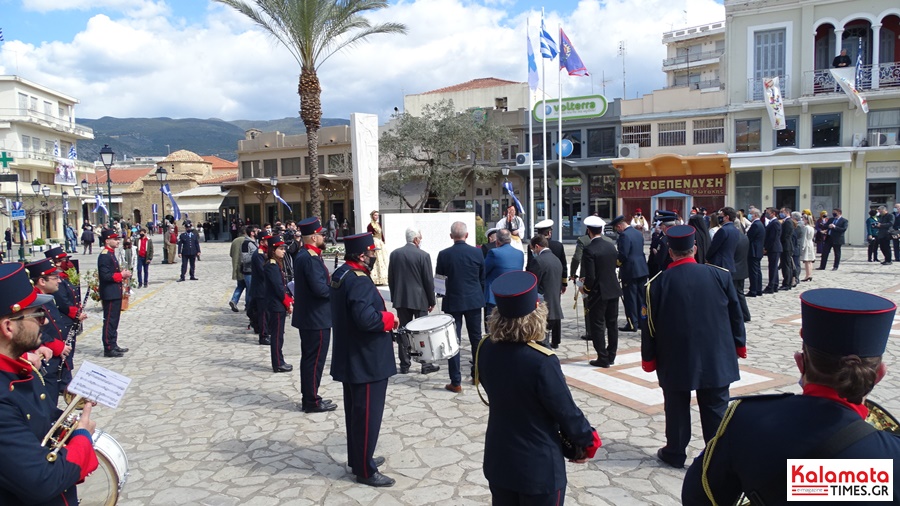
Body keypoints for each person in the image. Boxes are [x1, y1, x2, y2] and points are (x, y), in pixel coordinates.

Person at [683, 288, 900, 504]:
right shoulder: (892, 455)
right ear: (879, 373)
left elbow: (698, 497)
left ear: (800, 362)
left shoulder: (745, 421)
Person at [477, 270, 601, 504]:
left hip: (500, 459)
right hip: (538, 468)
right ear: (536, 315)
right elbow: (565, 410)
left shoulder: (485, 348)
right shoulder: (542, 360)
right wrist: (588, 441)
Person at [641, 225, 746, 469]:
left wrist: (649, 359)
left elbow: (650, 328)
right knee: (716, 408)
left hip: (675, 357)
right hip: (716, 355)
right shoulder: (720, 275)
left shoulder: (656, 284)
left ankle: (675, 452)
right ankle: (717, 457)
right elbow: (735, 315)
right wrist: (739, 345)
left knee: (676, 407)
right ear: (695, 249)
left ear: (670, 251)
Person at [0, 262, 99, 505]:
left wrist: (70, 420)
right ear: (8, 327)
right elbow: (42, 481)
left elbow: (38, 420)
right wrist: (83, 437)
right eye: (37, 314)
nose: (44, 322)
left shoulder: (20, 369)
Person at [330, 232, 397, 488]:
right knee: (368, 415)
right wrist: (391, 319)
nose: (373, 257)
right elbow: (366, 319)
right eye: (371, 253)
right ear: (361, 255)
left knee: (356, 414)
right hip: (367, 360)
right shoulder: (357, 280)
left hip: (352, 356)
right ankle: (365, 471)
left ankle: (359, 458)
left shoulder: (342, 273)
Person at [292, 218, 337, 412]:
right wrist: (337, 289)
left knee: (311, 360)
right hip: (316, 318)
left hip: (312, 317)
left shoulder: (307, 254)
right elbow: (320, 289)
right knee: (314, 361)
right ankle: (311, 400)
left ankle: (311, 397)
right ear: (313, 237)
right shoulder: (309, 258)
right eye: (322, 234)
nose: (324, 237)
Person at [435, 221, 485, 392]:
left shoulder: (444, 255)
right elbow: (482, 277)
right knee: (476, 339)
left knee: (452, 341)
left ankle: (455, 381)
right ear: (467, 235)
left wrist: (440, 297)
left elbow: (440, 281)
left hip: (453, 302)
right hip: (473, 301)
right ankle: (477, 375)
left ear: (451, 236)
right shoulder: (477, 253)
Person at [388, 228, 439, 375]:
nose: (421, 241)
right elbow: (428, 280)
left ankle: (404, 364)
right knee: (421, 333)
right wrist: (431, 300)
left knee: (403, 332)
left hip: (401, 299)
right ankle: (425, 364)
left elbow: (391, 278)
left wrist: (394, 297)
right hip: (419, 299)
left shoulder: (395, 254)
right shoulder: (423, 255)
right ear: (416, 239)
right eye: (420, 238)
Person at [580, 216, 622, 367]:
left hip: (599, 292)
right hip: (613, 289)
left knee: (597, 324)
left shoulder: (589, 249)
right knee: (612, 324)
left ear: (589, 231)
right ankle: (611, 355)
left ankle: (602, 357)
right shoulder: (610, 246)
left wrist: (585, 288)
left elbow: (591, 276)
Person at [97, 229, 131, 357]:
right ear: (107, 240)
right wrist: (121, 275)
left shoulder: (111, 254)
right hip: (109, 292)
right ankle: (108, 347)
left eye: (118, 239)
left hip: (114, 292)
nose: (118, 241)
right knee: (109, 320)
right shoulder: (105, 255)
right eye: (115, 239)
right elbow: (105, 276)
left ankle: (113, 343)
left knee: (114, 320)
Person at [611, 215, 648, 333]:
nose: (617, 231)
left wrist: (615, 264)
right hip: (641, 269)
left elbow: (623, 254)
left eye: (617, 229)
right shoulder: (637, 233)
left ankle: (632, 323)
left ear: (619, 226)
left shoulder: (624, 236)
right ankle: (643, 321)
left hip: (630, 271)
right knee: (641, 298)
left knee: (630, 297)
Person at [263, 235, 293, 373]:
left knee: (279, 335)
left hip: (277, 304)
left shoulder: (275, 264)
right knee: (277, 336)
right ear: (273, 250)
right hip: (276, 305)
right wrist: (288, 303)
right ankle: (278, 363)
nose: (284, 251)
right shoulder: (271, 265)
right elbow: (278, 288)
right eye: (281, 249)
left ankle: (279, 360)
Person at [527, 235, 563, 348]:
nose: (533, 252)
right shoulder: (556, 259)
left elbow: (532, 284)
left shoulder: (538, 261)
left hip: (542, 307)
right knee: (544, 339)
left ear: (537, 246)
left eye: (533, 249)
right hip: (554, 307)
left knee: (542, 342)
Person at [484, 229, 524, 321]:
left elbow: (484, 271)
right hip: (513, 296)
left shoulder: (494, 253)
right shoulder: (520, 254)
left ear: (497, 241)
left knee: (493, 328)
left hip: (495, 297)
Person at [250, 232, 270, 345]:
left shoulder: (265, 253)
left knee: (266, 313)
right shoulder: (259, 254)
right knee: (263, 314)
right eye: (267, 241)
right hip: (261, 289)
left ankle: (266, 331)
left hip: (264, 288)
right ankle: (263, 336)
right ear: (262, 242)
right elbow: (263, 272)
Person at [706, 207, 739, 274]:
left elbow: (714, 246)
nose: (719, 218)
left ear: (727, 217)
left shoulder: (723, 230)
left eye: (721, 216)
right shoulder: (735, 230)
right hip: (729, 263)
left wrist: (707, 257)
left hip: (720, 264)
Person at [762, 207, 782, 294]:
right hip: (774, 248)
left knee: (773, 268)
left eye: (768, 212)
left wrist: (766, 248)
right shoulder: (772, 222)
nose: (766, 214)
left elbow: (772, 238)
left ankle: (771, 286)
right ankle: (775, 284)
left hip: (774, 248)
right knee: (773, 267)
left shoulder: (775, 223)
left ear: (773, 213)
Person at [745, 209, 764, 298]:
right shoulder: (759, 224)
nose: (750, 215)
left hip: (753, 251)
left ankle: (753, 290)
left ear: (755, 215)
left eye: (751, 214)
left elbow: (750, 237)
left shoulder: (756, 225)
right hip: (758, 250)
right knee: (757, 271)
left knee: (753, 272)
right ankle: (758, 289)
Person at [366, 210, 388, 285]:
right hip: (374, 242)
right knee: (376, 259)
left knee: (382, 259)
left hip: (379, 242)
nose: (377, 217)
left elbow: (381, 234)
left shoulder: (378, 224)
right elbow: (369, 236)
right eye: (375, 215)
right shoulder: (370, 225)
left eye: (377, 215)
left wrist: (383, 241)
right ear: (372, 216)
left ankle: (382, 277)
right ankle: (375, 278)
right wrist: (371, 247)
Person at [779, 208, 796, 290]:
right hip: (785, 246)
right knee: (785, 265)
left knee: (786, 266)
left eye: (782, 212)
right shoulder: (786, 221)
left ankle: (787, 283)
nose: (781, 213)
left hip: (786, 246)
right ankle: (786, 282)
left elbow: (785, 235)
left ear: (787, 213)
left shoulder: (788, 222)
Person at [799, 214, 816, 282]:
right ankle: (810, 274)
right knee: (810, 261)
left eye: (803, 219)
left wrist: (802, 247)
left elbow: (804, 238)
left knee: (807, 261)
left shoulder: (806, 228)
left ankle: (807, 275)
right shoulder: (812, 227)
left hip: (807, 244)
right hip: (810, 243)